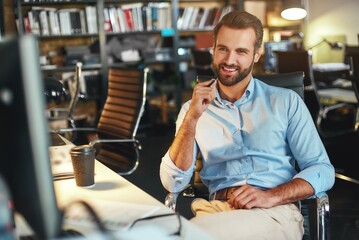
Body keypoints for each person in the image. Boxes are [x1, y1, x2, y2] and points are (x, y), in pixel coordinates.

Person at [160, 10, 335, 240]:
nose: (229, 60)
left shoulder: (286, 102)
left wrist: (271, 196)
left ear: (256, 54)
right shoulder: (191, 110)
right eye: (223, 49)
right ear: (213, 49)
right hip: (215, 211)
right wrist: (192, 119)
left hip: (273, 211)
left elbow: (323, 170)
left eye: (241, 51)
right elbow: (173, 183)